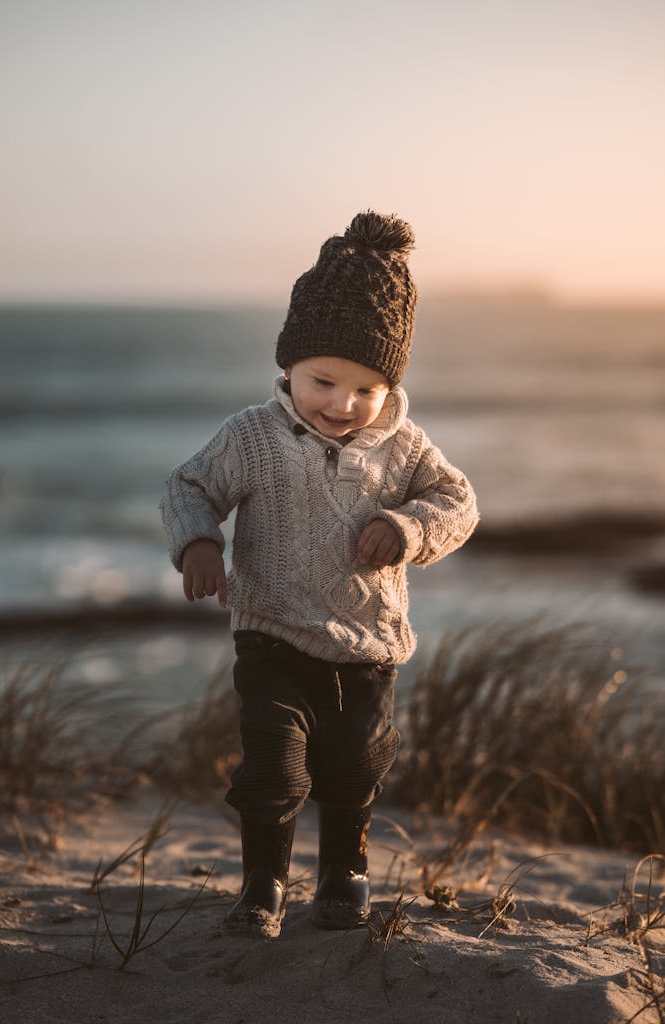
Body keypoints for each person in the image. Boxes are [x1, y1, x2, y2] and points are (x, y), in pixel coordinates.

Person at [160, 210, 478, 939]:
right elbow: (189, 484)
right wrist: (199, 542)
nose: (342, 403)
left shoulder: (405, 448)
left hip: (367, 647)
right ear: (290, 368)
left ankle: (343, 873)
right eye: (324, 381)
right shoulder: (253, 435)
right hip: (271, 636)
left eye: (366, 389)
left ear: (390, 384)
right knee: (274, 771)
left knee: (355, 768)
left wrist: (408, 526)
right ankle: (263, 885)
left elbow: (458, 503)